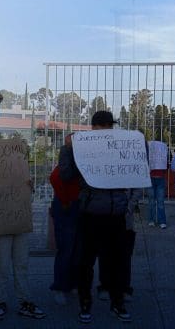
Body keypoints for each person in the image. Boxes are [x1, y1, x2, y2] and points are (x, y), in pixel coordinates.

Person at [59, 111, 131, 323]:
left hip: (115, 213)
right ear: (95, 128)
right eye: (105, 125)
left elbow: (135, 171)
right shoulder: (81, 148)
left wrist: (137, 146)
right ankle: (85, 303)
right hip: (90, 214)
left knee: (116, 262)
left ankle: (117, 303)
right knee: (86, 262)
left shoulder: (119, 147)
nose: (109, 129)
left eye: (111, 125)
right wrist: (67, 149)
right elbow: (65, 175)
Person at [48, 165, 81, 305]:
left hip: (75, 206)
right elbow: (54, 178)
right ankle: (60, 287)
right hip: (67, 207)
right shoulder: (69, 157)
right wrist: (65, 200)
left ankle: (71, 284)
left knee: (76, 249)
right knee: (66, 249)